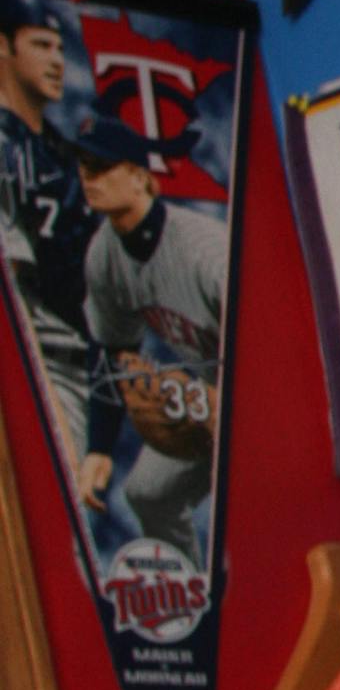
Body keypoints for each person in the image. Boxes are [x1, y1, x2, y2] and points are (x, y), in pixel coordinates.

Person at [69, 111, 226, 564]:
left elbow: (272, 340)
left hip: (266, 392)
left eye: (101, 167)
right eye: (84, 167)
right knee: (146, 493)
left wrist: (236, 407)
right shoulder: (104, 255)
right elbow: (112, 349)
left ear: (139, 176)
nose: (89, 177)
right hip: (209, 398)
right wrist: (98, 447)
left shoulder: (204, 251)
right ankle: (200, 592)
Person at [0, 0, 101, 479]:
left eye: (60, 48)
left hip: (86, 359)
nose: (57, 60)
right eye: (41, 45)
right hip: (34, 364)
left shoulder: (66, 154)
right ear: (4, 46)